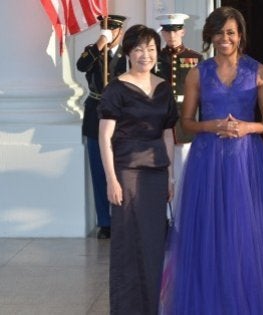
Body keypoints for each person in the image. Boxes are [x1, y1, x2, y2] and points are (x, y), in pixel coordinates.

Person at [159, 7, 263, 314]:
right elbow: (186, 122)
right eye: (220, 32)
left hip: (245, 160)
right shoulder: (198, 72)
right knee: (209, 232)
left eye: (231, 32)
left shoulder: (258, 71)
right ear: (210, 35)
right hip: (207, 160)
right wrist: (211, 125)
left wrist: (246, 127)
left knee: (244, 232)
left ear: (240, 36)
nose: (225, 38)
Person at [97, 24, 178, 314]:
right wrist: (111, 180)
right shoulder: (116, 88)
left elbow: (168, 134)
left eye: (152, 48)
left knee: (154, 245)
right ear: (129, 53)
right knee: (128, 246)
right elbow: (104, 137)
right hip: (127, 174)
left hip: (156, 174)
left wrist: (170, 177)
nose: (146, 54)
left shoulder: (163, 87)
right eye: (140, 49)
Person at [76, 14, 127, 240]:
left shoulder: (128, 55)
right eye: (105, 28)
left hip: (123, 117)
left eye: (113, 29)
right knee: (99, 170)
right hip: (96, 114)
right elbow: (81, 65)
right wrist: (100, 44)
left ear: (121, 31)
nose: (109, 32)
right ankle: (104, 222)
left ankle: (123, 218)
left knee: (122, 171)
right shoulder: (94, 51)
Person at [156, 13, 204, 144]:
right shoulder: (154, 57)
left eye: (176, 31)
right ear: (162, 33)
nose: (171, 36)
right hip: (160, 116)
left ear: (183, 32)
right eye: (167, 31)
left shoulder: (196, 58)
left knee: (184, 158)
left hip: (186, 116)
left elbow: (202, 92)